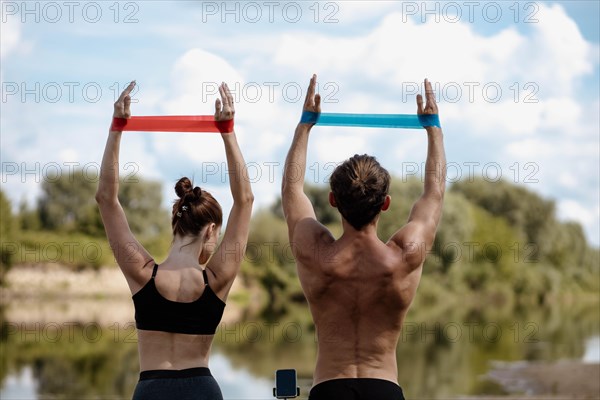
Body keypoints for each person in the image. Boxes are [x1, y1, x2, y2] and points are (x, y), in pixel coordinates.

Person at [281, 75, 446, 400]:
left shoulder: (315, 253)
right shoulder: (405, 255)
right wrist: (434, 129)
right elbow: (435, 193)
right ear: (385, 203)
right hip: (383, 388)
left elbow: (291, 190)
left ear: (332, 201)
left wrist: (304, 125)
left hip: (330, 388)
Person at [96, 81, 253, 400]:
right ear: (210, 230)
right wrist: (228, 131)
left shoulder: (142, 273)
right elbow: (245, 199)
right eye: (218, 235)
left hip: (152, 389)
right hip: (202, 390)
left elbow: (106, 199)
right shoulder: (217, 280)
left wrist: (117, 128)